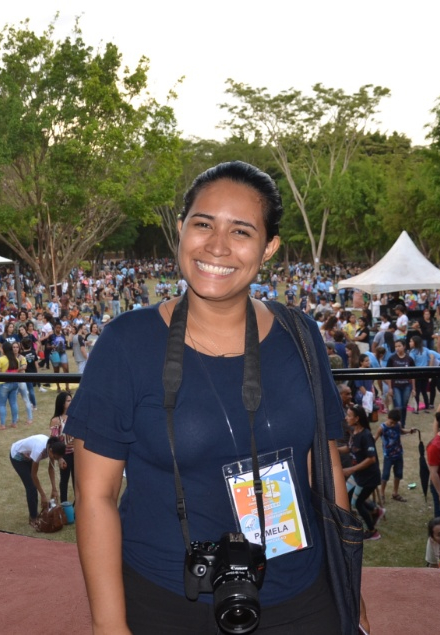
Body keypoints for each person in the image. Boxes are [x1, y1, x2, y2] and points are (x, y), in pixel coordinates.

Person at [66, 162, 351, 633]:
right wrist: (109, 626)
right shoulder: (126, 344)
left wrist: (347, 588)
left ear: (269, 247)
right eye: (203, 224)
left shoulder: (300, 335)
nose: (217, 246)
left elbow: (324, 464)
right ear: (181, 230)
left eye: (241, 231)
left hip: (301, 592)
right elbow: (95, 496)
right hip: (168, 598)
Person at [9, 434, 66, 529]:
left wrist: (54, 489)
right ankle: (33, 518)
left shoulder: (52, 446)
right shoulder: (39, 451)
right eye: (56, 457)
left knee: (33, 486)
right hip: (17, 456)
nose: (56, 459)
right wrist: (43, 495)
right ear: (51, 452)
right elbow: (34, 475)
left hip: (28, 456)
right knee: (31, 487)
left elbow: (51, 469)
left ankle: (36, 514)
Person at [343, 404, 382, 541]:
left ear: (357, 418)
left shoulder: (366, 435)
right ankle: (375, 510)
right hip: (358, 475)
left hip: (369, 477)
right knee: (346, 493)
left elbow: (371, 459)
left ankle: (372, 531)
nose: (346, 417)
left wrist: (351, 469)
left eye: (349, 415)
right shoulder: (354, 432)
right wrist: (334, 450)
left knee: (357, 503)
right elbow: (349, 448)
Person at [374, 407, 417, 504]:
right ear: (387, 417)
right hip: (388, 456)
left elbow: (401, 431)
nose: (393, 424)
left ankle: (395, 493)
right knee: (385, 475)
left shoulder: (397, 425)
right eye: (391, 422)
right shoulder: (382, 428)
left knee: (398, 474)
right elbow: (375, 438)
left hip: (398, 454)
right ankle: (381, 494)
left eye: (395, 422)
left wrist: (409, 431)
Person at [49, 391, 76, 503]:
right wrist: (60, 458)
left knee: (77, 481)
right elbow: (54, 441)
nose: (71, 402)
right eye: (68, 401)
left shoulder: (74, 416)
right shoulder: (56, 420)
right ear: (62, 403)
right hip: (65, 454)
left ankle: (78, 504)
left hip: (76, 453)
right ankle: (64, 505)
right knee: (64, 480)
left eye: (71, 400)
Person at [386, 339, 415, 428]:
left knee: (404, 406)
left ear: (404, 346)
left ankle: (403, 424)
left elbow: (413, 374)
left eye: (399, 346)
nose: (397, 348)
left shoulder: (409, 359)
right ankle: (397, 424)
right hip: (396, 386)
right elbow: (388, 374)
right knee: (398, 406)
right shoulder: (392, 359)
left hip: (407, 385)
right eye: (396, 346)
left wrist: (414, 388)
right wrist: (390, 388)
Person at [0, 342, 20, 430]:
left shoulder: (1, 360)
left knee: (2, 404)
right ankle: (14, 422)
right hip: (14, 384)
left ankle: (2, 424)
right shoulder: (16, 359)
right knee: (13, 403)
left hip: (4, 384)